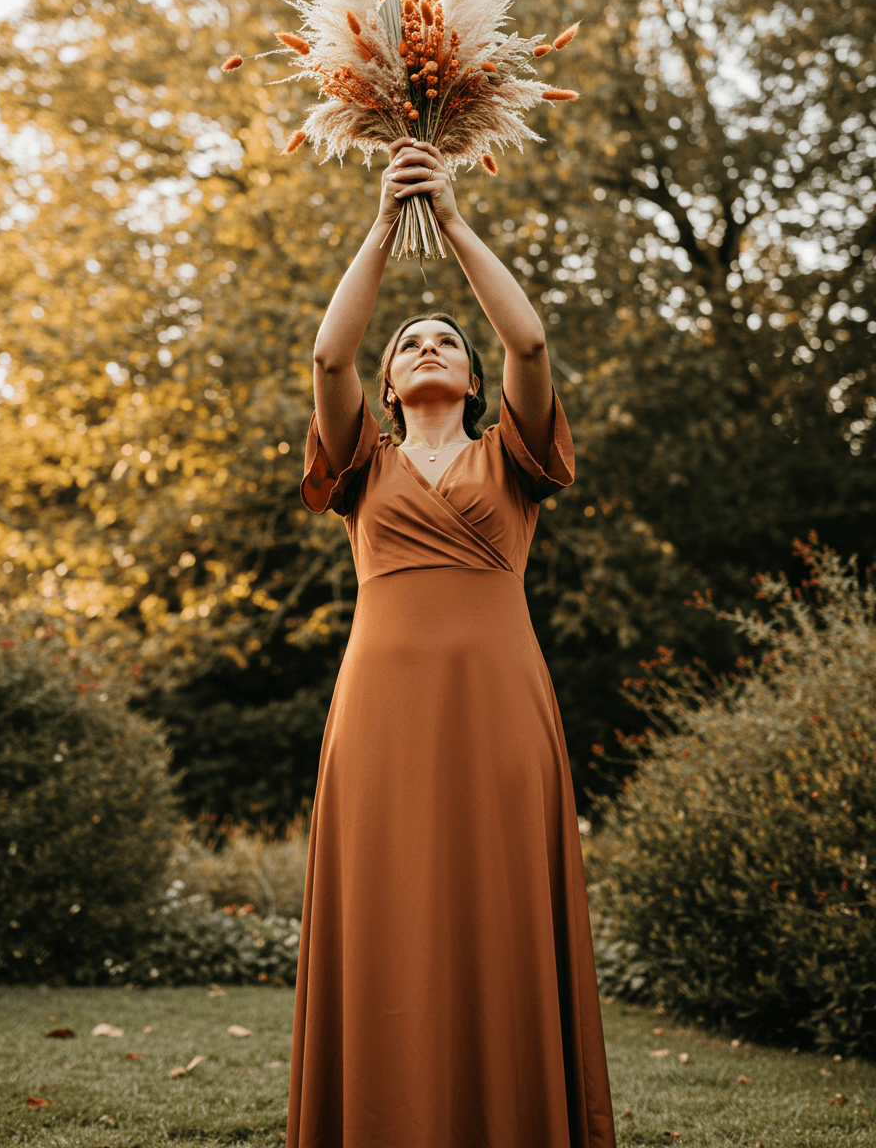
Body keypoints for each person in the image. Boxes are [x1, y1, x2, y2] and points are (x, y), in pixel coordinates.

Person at [286, 137, 617, 1148]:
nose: (426, 345)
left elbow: (529, 343)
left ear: (470, 378)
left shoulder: (509, 455)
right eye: (409, 343)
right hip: (378, 711)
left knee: (496, 904)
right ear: (388, 386)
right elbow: (325, 354)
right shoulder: (361, 463)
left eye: (444, 341)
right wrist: (385, 221)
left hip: (498, 704)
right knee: (385, 903)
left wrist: (455, 218)